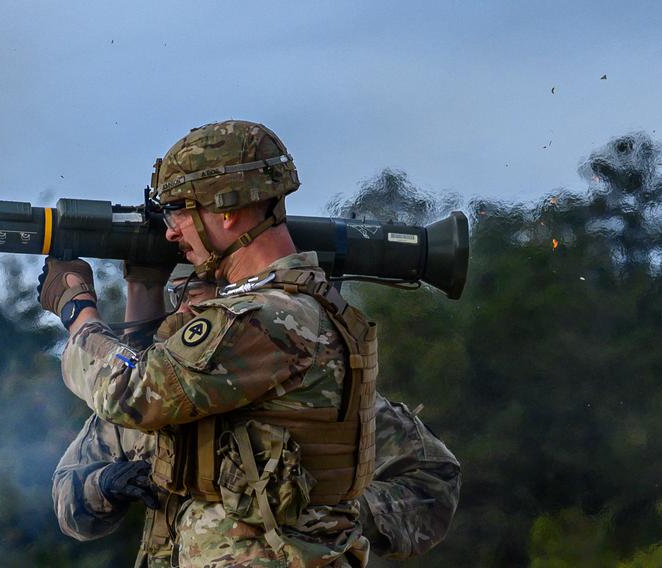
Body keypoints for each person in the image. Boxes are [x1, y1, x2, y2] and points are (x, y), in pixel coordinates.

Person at [40, 120, 460, 567]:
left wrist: (77, 310)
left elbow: (130, 389)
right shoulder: (273, 315)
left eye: (180, 210)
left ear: (226, 209)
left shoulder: (269, 316)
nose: (171, 231)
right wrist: (104, 486)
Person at [52, 266, 461, 567]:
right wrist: (103, 486)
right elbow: (67, 501)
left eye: (208, 296)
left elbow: (434, 481)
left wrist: (337, 506)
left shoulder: (322, 406)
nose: (193, 313)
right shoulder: (151, 400)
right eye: (183, 297)